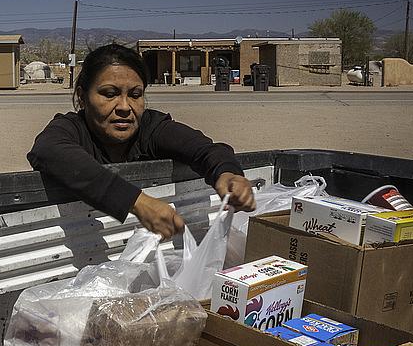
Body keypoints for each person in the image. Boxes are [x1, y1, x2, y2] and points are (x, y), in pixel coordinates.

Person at [27, 44, 256, 239]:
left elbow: (205, 149)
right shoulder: (71, 129)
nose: (125, 107)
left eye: (135, 95)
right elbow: (49, 150)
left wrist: (227, 173)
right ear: (82, 97)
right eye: (109, 94)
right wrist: (137, 202)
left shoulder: (152, 128)